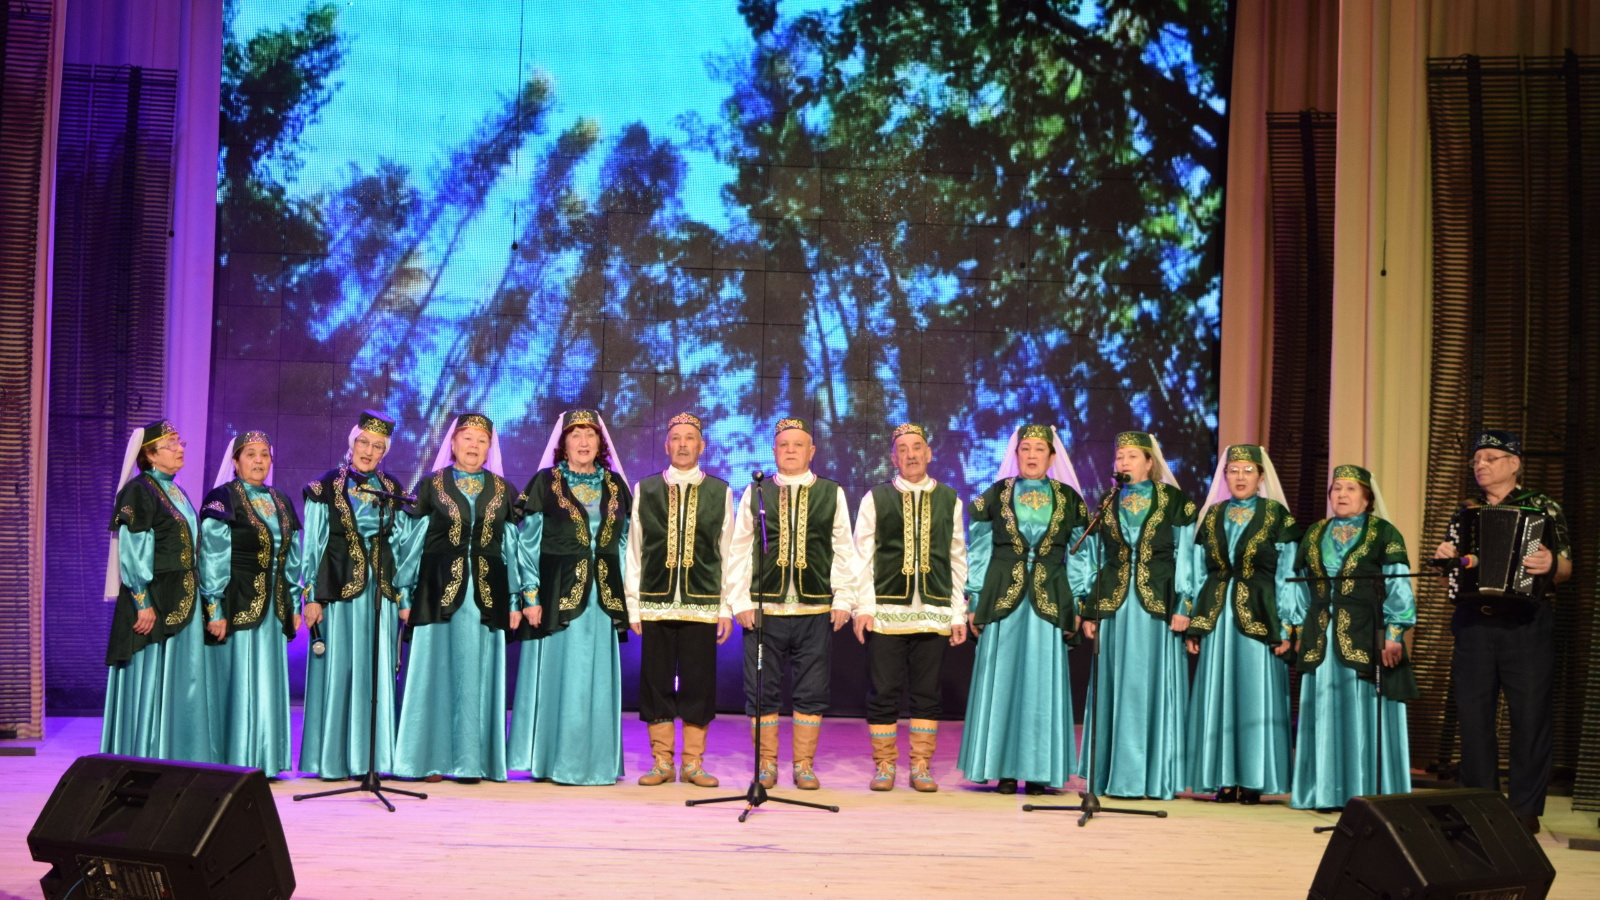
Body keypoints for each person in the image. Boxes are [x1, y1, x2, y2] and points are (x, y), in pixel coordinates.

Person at [1437, 430, 1572, 833]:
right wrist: (1446, 559)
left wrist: (1550, 564)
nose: (1480, 465)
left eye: (1490, 458)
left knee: (1529, 717)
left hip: (1525, 624)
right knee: (1473, 718)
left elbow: (1566, 567)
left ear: (1514, 464)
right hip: (1474, 622)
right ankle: (1479, 806)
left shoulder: (1542, 506)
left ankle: (1525, 810)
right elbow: (1454, 573)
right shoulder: (1466, 511)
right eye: (1476, 459)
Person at [725, 416, 864, 790]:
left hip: (814, 608)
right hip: (764, 611)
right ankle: (766, 765)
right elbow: (739, 550)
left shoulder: (830, 492)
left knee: (812, 690)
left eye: (798, 445)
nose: (790, 451)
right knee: (761, 690)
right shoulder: (756, 492)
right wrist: (740, 600)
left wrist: (844, 597)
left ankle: (803, 765)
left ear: (811, 451)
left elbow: (842, 548)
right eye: (783, 445)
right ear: (774, 451)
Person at [957, 423, 1091, 796]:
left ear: (1052, 456)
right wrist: (974, 598)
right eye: (1025, 448)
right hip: (1003, 597)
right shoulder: (996, 495)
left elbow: (1080, 555)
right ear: (1015, 454)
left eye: (1039, 449)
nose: (1032, 455)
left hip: (1049, 597)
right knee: (1002, 680)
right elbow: (979, 550)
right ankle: (1002, 769)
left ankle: (1037, 771)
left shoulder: (1068, 499)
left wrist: (1078, 601)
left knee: (1041, 683)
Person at [393, 413, 524, 783]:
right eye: (467, 438)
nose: (474, 446)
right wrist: (404, 595)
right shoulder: (430, 486)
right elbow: (412, 545)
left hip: (487, 594)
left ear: (490, 447)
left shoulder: (503, 490)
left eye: (482, 440)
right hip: (435, 592)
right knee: (433, 674)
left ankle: (472, 762)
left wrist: (516, 600)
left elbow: (512, 549)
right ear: (452, 443)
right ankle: (428, 760)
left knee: (476, 675)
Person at [508, 409, 632, 785]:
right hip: (555, 596)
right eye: (575, 434)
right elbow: (527, 544)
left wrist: (627, 597)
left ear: (600, 442)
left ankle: (595, 763)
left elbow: (624, 544)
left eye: (590, 435)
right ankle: (551, 761)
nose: (583, 441)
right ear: (563, 443)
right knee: (557, 678)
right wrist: (530, 596)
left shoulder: (615, 485)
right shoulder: (545, 482)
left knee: (595, 681)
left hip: (602, 599)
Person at [1076, 430, 1198, 800]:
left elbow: (1188, 556)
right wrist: (1090, 609)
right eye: (1120, 456)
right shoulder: (1108, 500)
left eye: (1132, 456)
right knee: (1115, 684)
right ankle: (1113, 775)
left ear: (1149, 462)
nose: (1124, 462)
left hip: (1156, 606)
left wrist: (1184, 604)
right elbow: (1093, 557)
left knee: (1148, 686)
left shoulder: (1175, 501)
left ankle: (1152, 775)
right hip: (1115, 606)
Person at [1287, 464, 1416, 811]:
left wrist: (1394, 632)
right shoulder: (1315, 532)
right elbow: (1299, 583)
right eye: (1337, 488)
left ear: (1367, 497)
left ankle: (1365, 790)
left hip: (1365, 631)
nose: (1342, 495)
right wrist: (1297, 628)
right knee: (1322, 709)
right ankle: (1323, 791)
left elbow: (1398, 585)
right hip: (1320, 633)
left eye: (1351, 489)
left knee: (1363, 711)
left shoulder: (1384, 532)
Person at [852, 423, 970, 792]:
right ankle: (885, 764)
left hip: (933, 611)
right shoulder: (876, 498)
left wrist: (957, 612)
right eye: (903, 449)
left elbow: (957, 559)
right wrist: (863, 607)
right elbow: (862, 558)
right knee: (883, 691)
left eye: (917, 447)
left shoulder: (949, 499)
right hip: (886, 612)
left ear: (929, 453)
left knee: (927, 693)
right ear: (894, 458)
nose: (911, 454)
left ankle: (920, 765)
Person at [1183, 444, 1299, 804]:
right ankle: (1223, 777)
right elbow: (1199, 572)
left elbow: (1288, 574)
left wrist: (1287, 625)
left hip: (1261, 616)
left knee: (1253, 694)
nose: (1240, 477)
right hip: (1218, 617)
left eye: (1248, 470)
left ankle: (1252, 779)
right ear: (1224, 476)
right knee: (1219, 694)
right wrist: (1196, 623)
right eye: (1233, 470)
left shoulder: (1276, 515)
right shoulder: (1213, 515)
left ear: (1261, 477)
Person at [623, 412, 733, 787]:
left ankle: (693, 762)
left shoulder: (719, 491)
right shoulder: (647, 488)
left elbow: (727, 553)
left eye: (690, 438)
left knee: (698, 683)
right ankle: (662, 761)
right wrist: (634, 605)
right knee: (656, 682)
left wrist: (725, 607)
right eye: (676, 438)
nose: (683, 444)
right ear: (667, 445)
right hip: (655, 602)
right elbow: (635, 550)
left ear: (702, 446)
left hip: (702, 603)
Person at [298, 410, 408, 780]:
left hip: (381, 594)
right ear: (352, 443)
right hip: (339, 591)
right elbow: (313, 545)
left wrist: (403, 594)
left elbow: (401, 543)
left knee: (376, 670)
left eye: (377, 446)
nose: (369, 451)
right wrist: (310, 595)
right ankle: (334, 760)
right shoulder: (325, 486)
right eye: (363, 442)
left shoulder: (391, 488)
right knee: (341, 669)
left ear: (384, 452)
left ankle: (372, 760)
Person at [102, 419, 219, 762]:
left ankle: (178, 754)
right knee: (152, 674)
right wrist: (142, 600)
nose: (180, 448)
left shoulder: (175, 490)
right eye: (172, 444)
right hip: (155, 597)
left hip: (182, 595)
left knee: (183, 678)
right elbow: (133, 547)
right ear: (150, 455)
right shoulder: (140, 490)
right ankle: (145, 754)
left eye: (180, 442)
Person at [198, 431, 302, 776]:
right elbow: (213, 557)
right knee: (240, 682)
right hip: (237, 602)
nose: (259, 460)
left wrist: (295, 602)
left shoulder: (280, 500)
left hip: (274, 607)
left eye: (265, 454)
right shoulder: (223, 498)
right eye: (251, 454)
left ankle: (265, 760)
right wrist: (214, 607)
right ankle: (237, 760)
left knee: (268, 681)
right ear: (236, 461)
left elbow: (292, 557)